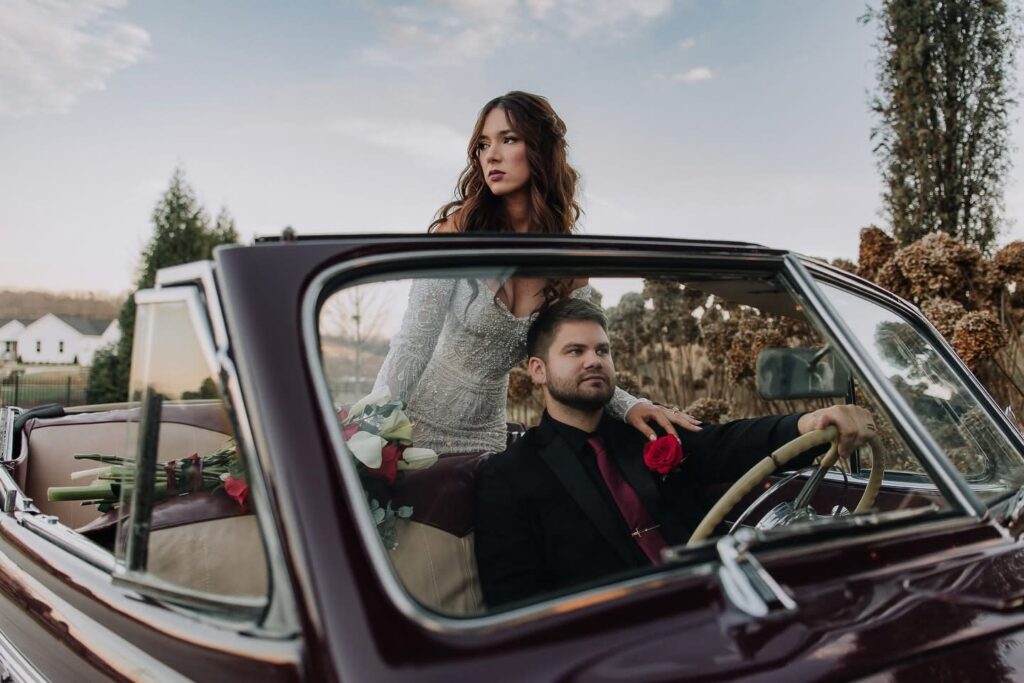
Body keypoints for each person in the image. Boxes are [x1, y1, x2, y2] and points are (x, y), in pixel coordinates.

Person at [474, 298, 876, 608]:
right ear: (538, 370)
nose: (594, 360)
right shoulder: (508, 475)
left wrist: (808, 424)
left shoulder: (649, 433)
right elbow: (517, 602)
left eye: (603, 350)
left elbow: (727, 444)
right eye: (575, 351)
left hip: (728, 602)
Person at [372, 91, 698, 454]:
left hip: (485, 437)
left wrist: (630, 405)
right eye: (483, 144)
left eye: (508, 139)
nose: (491, 155)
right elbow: (414, 343)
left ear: (540, 150)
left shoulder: (569, 266)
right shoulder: (456, 235)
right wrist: (372, 428)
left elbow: (573, 355)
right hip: (415, 422)